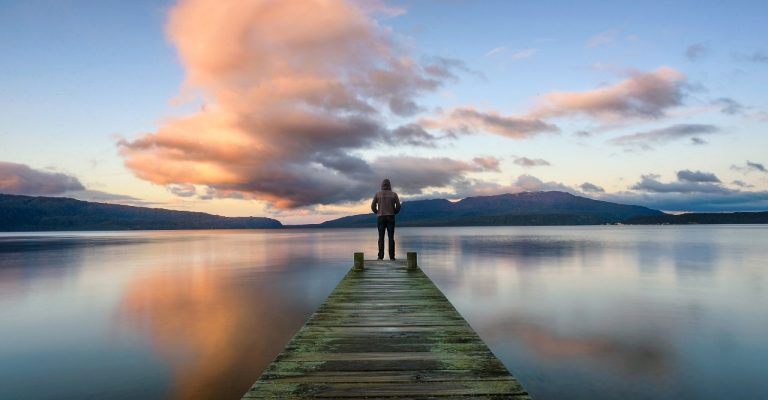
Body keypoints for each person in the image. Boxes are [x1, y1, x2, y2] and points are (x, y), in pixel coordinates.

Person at [371, 178, 401, 260]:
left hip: (380, 217)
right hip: (391, 217)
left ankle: (380, 256)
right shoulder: (394, 194)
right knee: (391, 237)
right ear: (389, 185)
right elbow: (398, 206)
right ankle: (392, 257)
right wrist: (394, 212)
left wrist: (377, 212)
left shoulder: (378, 194)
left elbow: (372, 206)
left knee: (381, 237)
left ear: (382, 185)